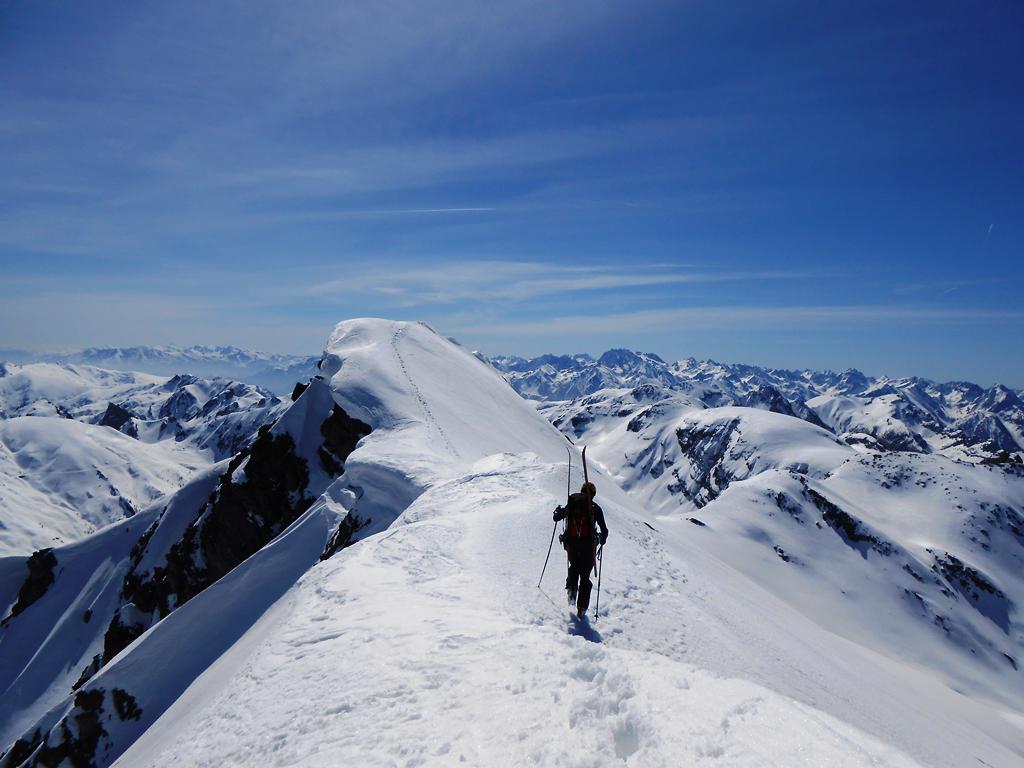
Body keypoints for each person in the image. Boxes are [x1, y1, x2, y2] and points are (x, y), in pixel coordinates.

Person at [553, 481, 609, 618]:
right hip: (588, 548)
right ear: (593, 495)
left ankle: (572, 591)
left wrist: (557, 510)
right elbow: (604, 530)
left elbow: (556, 517)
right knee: (585, 576)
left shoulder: (571, 504)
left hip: (572, 545)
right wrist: (601, 539)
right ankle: (582, 608)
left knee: (574, 567)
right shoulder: (594, 508)